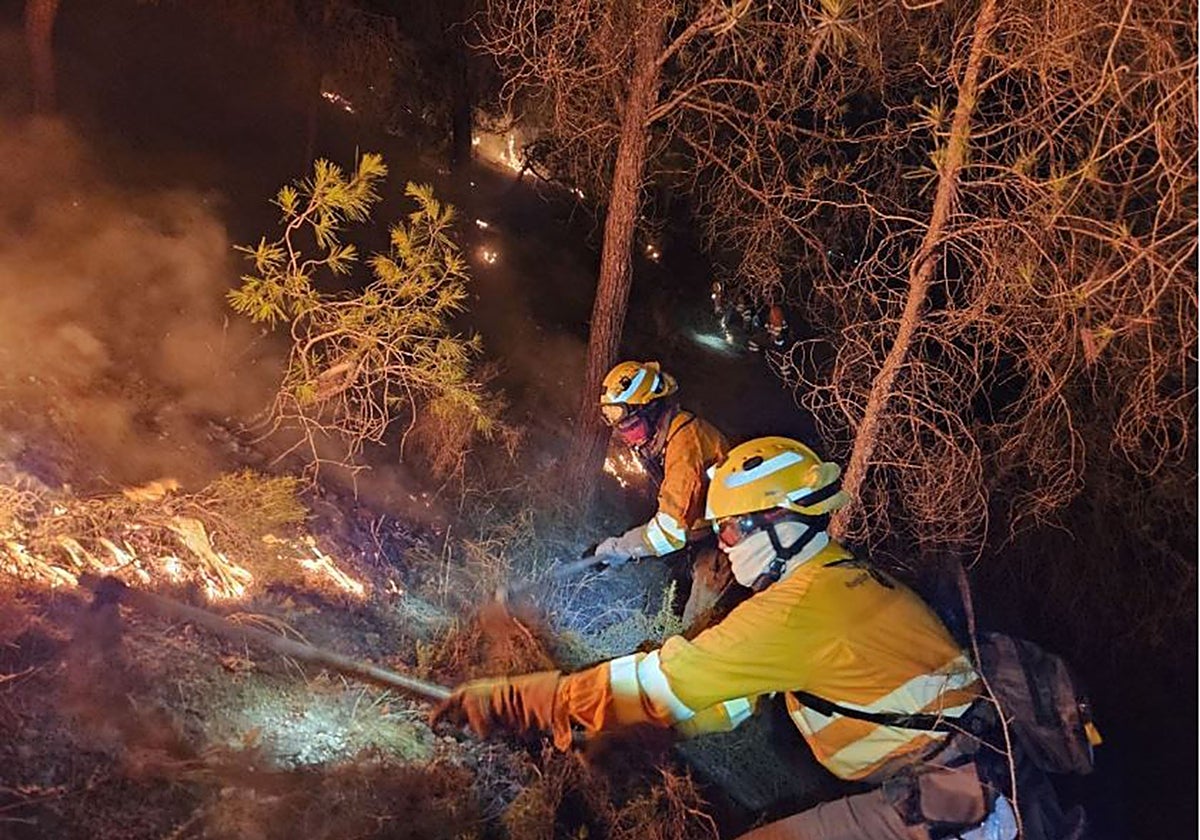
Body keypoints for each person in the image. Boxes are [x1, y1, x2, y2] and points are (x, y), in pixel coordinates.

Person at [434, 437, 1013, 840]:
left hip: (959, 805)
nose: (724, 544)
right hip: (960, 784)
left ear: (779, 522)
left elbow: (655, 682)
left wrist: (515, 702)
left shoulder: (798, 611)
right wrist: (658, 731)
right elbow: (740, 696)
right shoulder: (839, 577)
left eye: (732, 528)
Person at [593, 360, 738, 629]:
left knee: (696, 628)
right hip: (700, 534)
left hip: (729, 541)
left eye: (632, 427)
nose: (628, 439)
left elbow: (670, 531)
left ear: (653, 409)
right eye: (621, 430)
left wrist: (619, 548)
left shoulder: (686, 444)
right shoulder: (666, 435)